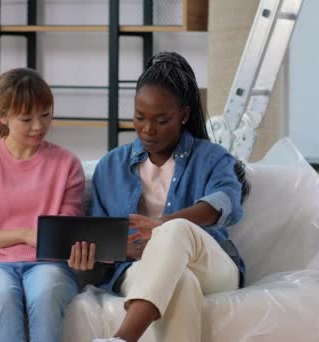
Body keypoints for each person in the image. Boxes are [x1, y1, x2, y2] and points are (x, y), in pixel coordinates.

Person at [68, 52, 250, 342]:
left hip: (212, 267)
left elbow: (225, 201)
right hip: (138, 269)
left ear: (184, 115)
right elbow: (100, 236)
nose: (148, 129)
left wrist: (162, 227)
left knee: (175, 230)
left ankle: (122, 339)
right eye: (139, 118)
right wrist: (96, 257)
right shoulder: (111, 166)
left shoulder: (213, 158)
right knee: (182, 285)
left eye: (161, 120)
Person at [0, 67, 85, 342]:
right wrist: (23, 235)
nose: (38, 126)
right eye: (26, 119)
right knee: (3, 295)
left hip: (49, 266)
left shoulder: (67, 164)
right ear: (3, 115)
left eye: (46, 115)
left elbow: (68, 233)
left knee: (45, 293)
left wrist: (78, 252)